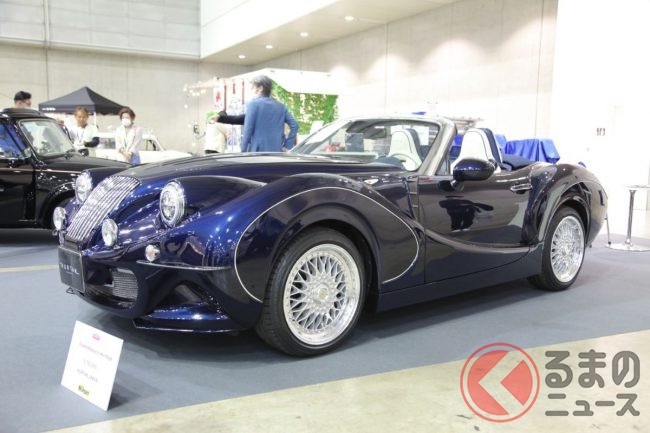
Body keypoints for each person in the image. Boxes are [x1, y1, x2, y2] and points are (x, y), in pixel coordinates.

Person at [240, 75, 297, 152]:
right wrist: (287, 145)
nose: (251, 89)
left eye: (253, 87)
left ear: (260, 88)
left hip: (257, 153)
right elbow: (294, 125)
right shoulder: (281, 107)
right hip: (277, 153)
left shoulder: (252, 105)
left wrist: (242, 152)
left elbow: (247, 132)